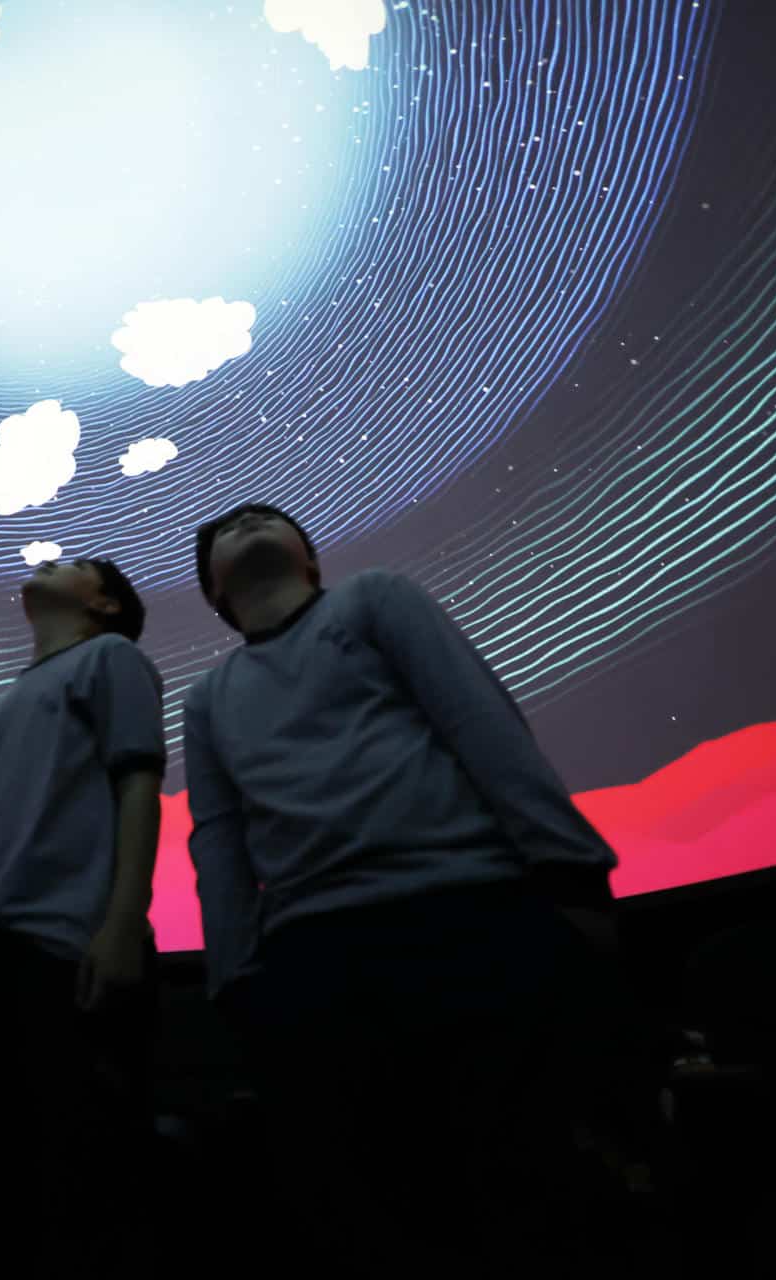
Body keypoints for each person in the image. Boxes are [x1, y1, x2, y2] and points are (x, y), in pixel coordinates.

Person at [182, 502, 648, 1271]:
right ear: (214, 595)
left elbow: (476, 719)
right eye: (226, 531)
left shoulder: (375, 599)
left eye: (267, 517)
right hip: (313, 953)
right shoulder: (207, 698)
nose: (245, 522)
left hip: (468, 909)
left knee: (522, 1165)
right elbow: (219, 836)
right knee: (382, 1196)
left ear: (311, 560)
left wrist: (569, 869)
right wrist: (233, 972)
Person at [0, 555, 165, 1278]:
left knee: (75, 1175)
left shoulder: (112, 659)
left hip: (69, 946)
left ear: (107, 604)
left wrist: (121, 923)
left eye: (77, 563)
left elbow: (137, 784)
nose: (51, 559)